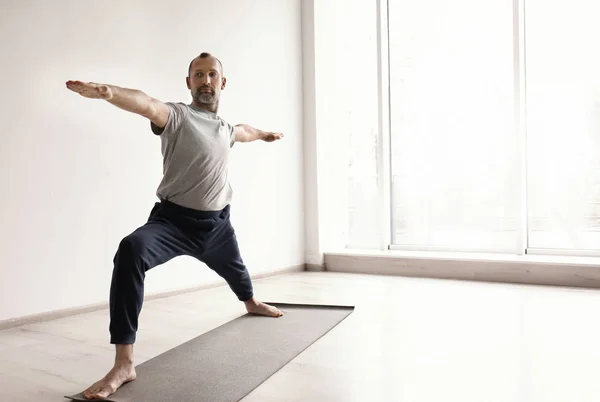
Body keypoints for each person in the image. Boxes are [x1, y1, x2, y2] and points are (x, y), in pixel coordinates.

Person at [65, 52, 284, 400]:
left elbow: (245, 131)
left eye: (212, 75)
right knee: (131, 250)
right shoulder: (178, 116)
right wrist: (110, 93)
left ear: (222, 83)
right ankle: (124, 363)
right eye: (198, 75)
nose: (206, 80)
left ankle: (251, 302)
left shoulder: (226, 129)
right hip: (173, 223)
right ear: (189, 83)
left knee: (237, 270)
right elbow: (147, 104)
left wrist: (265, 134)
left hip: (217, 227)